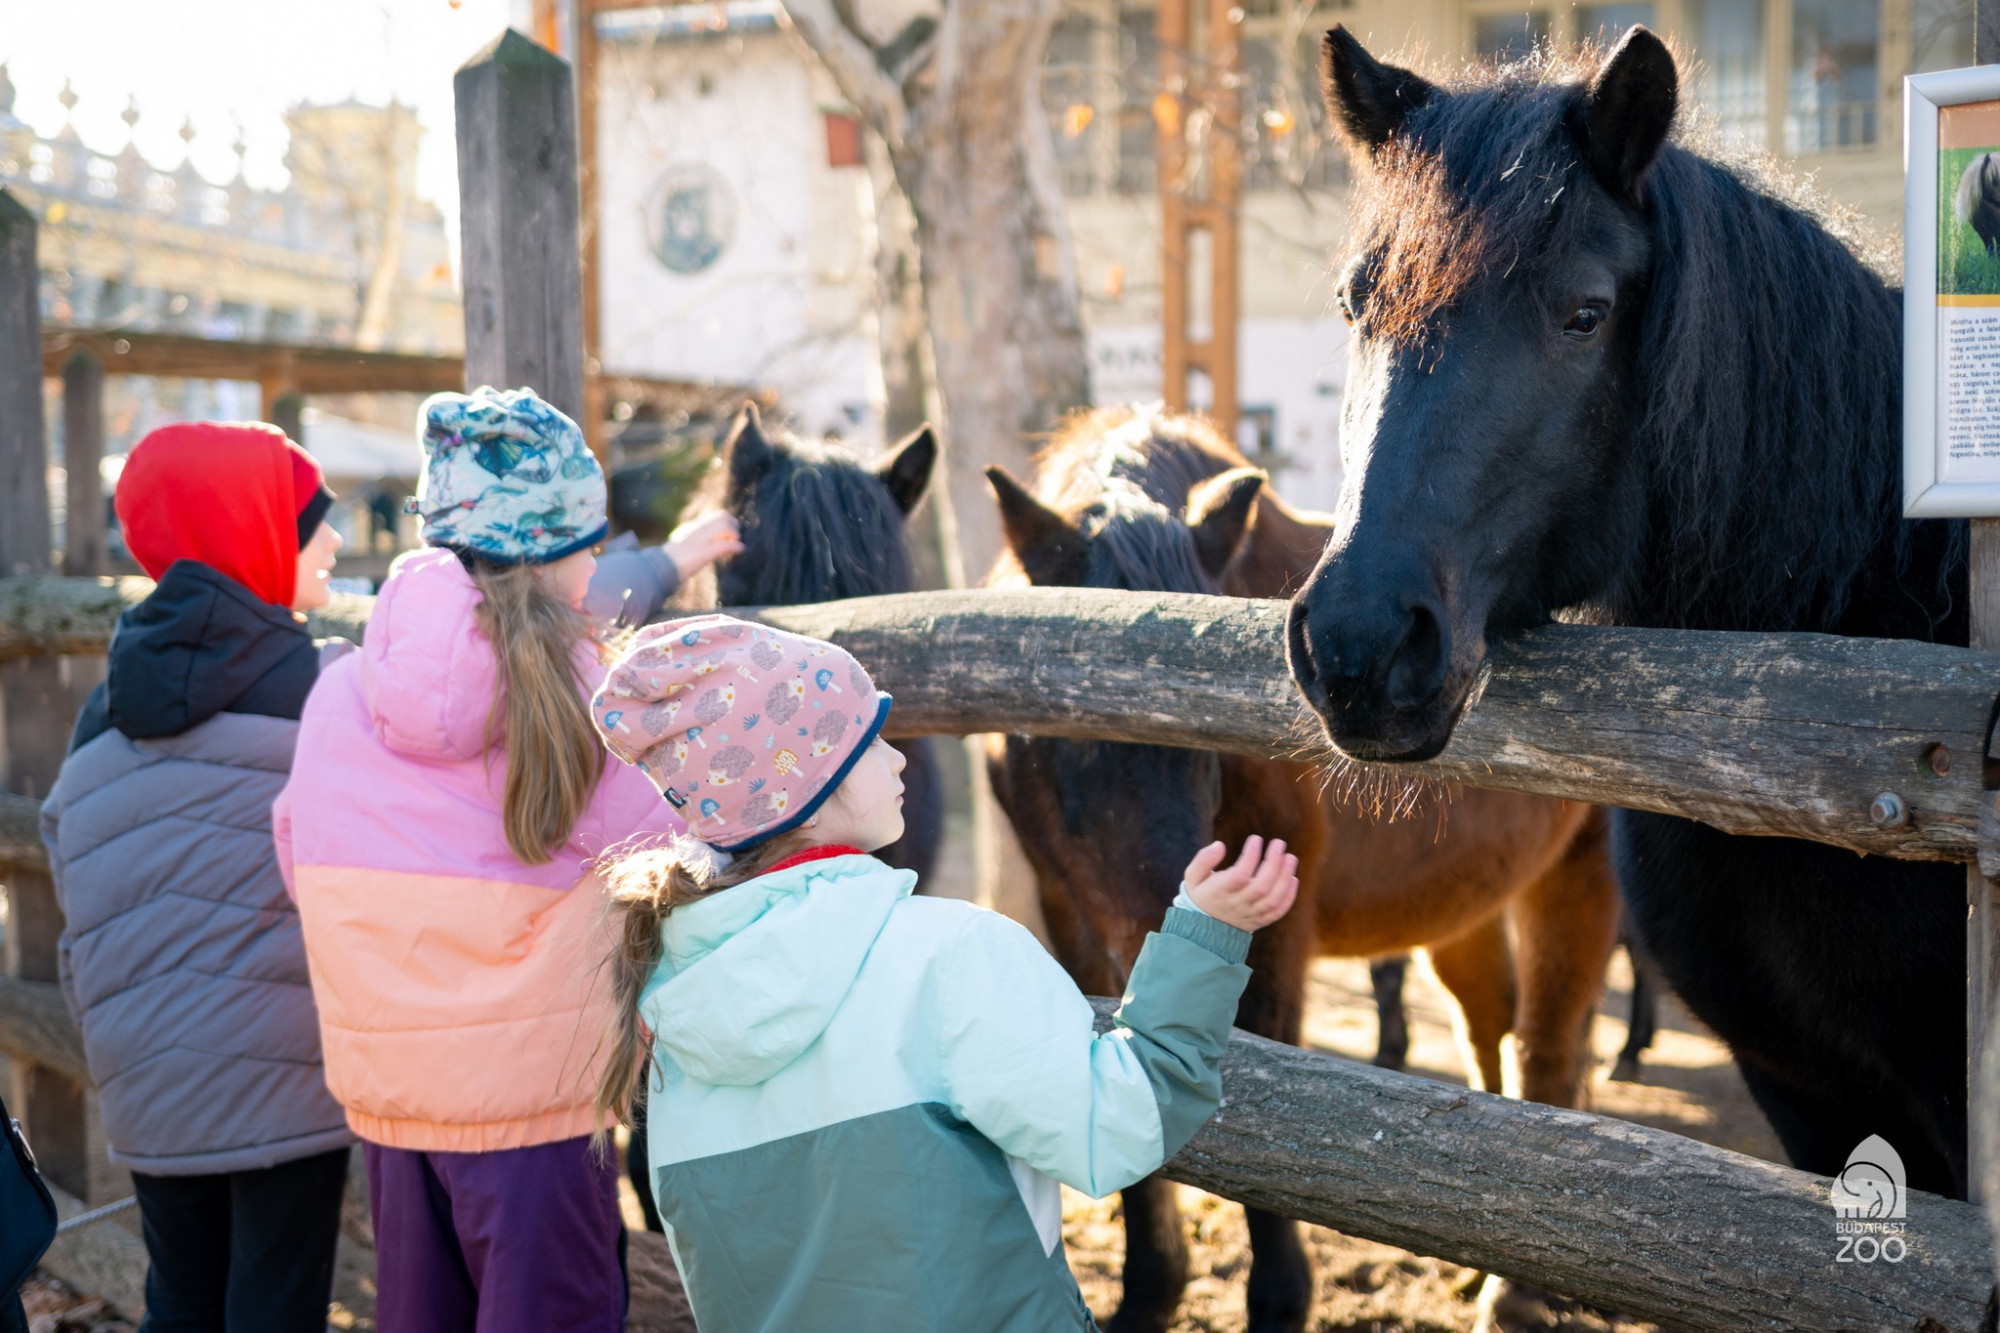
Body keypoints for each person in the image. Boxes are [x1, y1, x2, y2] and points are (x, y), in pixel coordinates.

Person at [589, 614, 1300, 1332]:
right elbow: (1113, 1127)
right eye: (870, 741)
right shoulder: (950, 952)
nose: (900, 761)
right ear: (812, 787)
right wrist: (1204, 938)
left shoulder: (672, 1009)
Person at [273, 386, 733, 1333]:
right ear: (560, 552)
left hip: (395, 1109)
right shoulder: (589, 702)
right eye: (592, 541)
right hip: (541, 1116)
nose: (600, 558)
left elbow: (299, 860)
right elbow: (671, 863)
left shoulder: (339, 694)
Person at [39, 422, 355, 1332]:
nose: (332, 540)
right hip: (285, 1067)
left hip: (145, 1076)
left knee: (180, 1296)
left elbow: (76, 886)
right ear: (251, 532)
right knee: (277, 1302)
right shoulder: (322, 691)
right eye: (310, 522)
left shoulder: (102, 713)